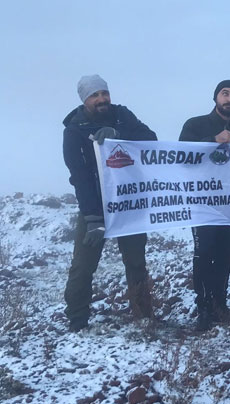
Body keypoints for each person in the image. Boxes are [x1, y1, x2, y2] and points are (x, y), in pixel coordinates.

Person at [61, 75, 157, 332]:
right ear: (85, 99)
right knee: (83, 265)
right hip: (96, 207)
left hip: (128, 203)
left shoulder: (122, 116)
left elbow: (151, 139)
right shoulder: (73, 130)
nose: (102, 99)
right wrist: (92, 216)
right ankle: (77, 319)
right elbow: (79, 176)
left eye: (104, 93)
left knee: (136, 261)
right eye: (95, 95)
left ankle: (142, 314)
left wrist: (118, 134)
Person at [179, 80, 230, 331]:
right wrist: (213, 140)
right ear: (216, 98)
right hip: (201, 205)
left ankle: (220, 305)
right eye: (225, 94)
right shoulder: (195, 125)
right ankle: (203, 309)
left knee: (224, 257)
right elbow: (181, 157)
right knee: (204, 256)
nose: (229, 99)